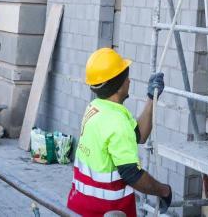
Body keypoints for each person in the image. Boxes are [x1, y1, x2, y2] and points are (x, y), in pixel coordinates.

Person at [67, 47, 172, 217]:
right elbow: (132, 175)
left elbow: (140, 135)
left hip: (82, 204)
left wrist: (152, 98)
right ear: (118, 86)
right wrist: (163, 190)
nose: (129, 81)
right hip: (108, 210)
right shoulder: (117, 122)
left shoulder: (95, 108)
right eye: (126, 78)